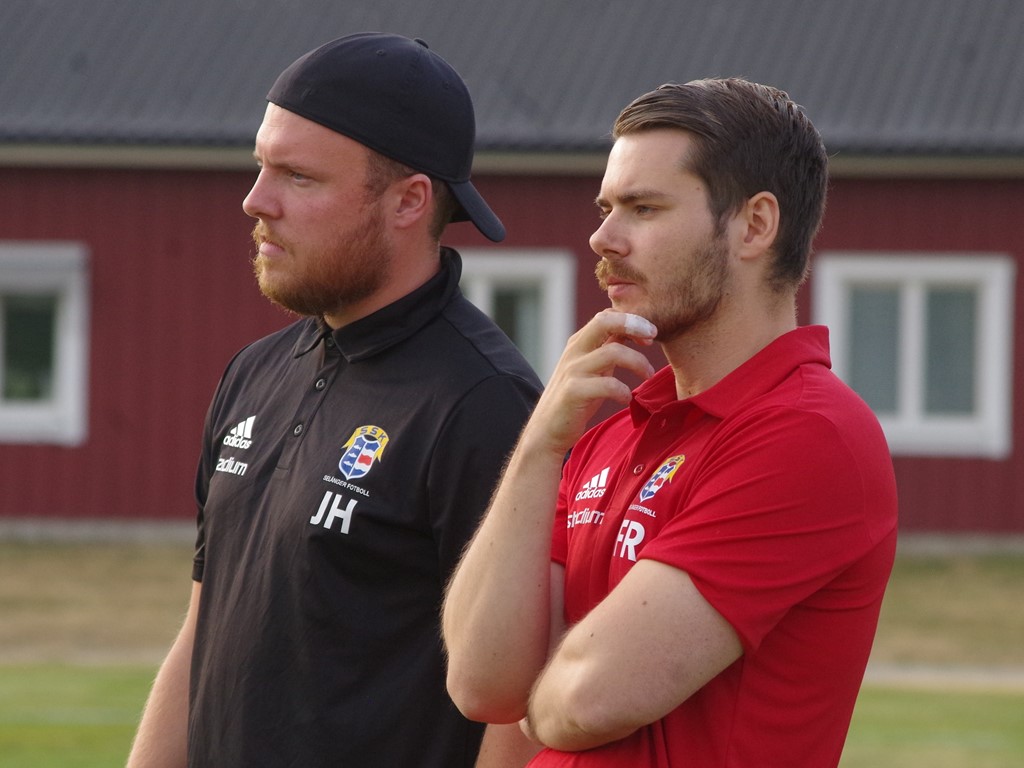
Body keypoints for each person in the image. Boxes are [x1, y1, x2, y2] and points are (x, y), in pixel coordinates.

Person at [443, 78, 898, 767]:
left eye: (643, 208)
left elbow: (590, 698)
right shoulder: (606, 433)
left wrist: (539, 687)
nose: (602, 237)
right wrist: (539, 445)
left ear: (754, 225)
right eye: (605, 208)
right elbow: (480, 684)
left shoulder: (811, 433)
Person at [126, 33, 542, 768]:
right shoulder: (254, 373)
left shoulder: (484, 404)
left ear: (409, 200)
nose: (256, 201)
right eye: (261, 166)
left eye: (298, 177)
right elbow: (204, 632)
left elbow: (512, 708)